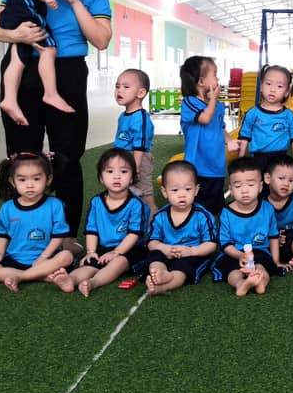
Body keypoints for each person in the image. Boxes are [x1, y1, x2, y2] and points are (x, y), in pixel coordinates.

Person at [0, 0, 113, 250]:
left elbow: (101, 40)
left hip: (68, 72)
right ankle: (21, 234)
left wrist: (75, 2)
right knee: (22, 157)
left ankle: (66, 237)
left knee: (67, 157)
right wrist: (15, 34)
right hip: (22, 69)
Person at [0, 152, 75, 293]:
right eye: (22, 180)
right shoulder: (7, 208)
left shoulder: (55, 205)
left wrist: (43, 257)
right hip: (15, 260)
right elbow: (3, 235)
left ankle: (21, 277)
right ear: (13, 182)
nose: (30, 185)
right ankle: (45, 276)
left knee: (66, 256)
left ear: (48, 179)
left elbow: (58, 236)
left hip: (46, 259)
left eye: (36, 179)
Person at [71, 148, 151, 297]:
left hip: (128, 250)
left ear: (132, 178)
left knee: (117, 263)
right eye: (110, 171)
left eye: (124, 171)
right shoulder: (96, 202)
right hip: (102, 248)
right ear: (101, 178)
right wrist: (91, 252)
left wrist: (116, 252)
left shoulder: (136, 204)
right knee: (90, 264)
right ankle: (70, 279)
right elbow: (92, 230)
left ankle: (93, 283)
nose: (117, 176)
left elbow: (134, 234)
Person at [212, 157, 286, 296]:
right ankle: (240, 284)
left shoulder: (267, 209)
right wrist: (241, 256)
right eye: (238, 186)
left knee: (262, 266)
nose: (244, 190)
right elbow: (225, 243)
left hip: (260, 251)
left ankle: (261, 282)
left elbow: (273, 237)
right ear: (231, 189)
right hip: (234, 253)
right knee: (233, 271)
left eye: (251, 185)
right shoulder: (226, 213)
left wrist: (276, 261)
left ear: (260, 186)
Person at [144, 160, 218, 295]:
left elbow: (211, 244)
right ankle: (160, 272)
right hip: (167, 252)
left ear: (196, 190)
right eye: (175, 190)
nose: (182, 194)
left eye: (188, 189)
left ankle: (164, 286)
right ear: (164, 192)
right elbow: (151, 242)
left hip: (192, 254)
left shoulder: (203, 216)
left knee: (183, 266)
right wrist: (163, 248)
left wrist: (191, 251)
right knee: (154, 255)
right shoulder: (160, 216)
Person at [180, 55, 239, 216]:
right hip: (197, 167)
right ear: (201, 81)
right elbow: (205, 118)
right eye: (215, 74)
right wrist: (213, 99)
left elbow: (219, 127)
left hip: (216, 166)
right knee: (196, 207)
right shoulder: (190, 102)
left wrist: (229, 141)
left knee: (216, 206)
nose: (218, 79)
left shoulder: (217, 106)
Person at [238, 64, 293, 172]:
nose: (272, 89)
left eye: (279, 86)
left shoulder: (290, 116)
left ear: (286, 92)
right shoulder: (252, 113)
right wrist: (240, 162)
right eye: (268, 84)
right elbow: (244, 138)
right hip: (258, 159)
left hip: (280, 160)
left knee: (277, 183)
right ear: (261, 86)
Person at [113, 68, 156, 214]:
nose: (119, 90)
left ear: (141, 93)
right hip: (122, 159)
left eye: (126, 87)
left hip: (138, 160)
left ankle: (154, 224)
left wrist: (135, 167)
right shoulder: (123, 116)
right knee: (125, 194)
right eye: (117, 86)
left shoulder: (141, 117)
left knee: (145, 196)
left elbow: (140, 145)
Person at [263, 154, 293, 269]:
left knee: (292, 237)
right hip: (271, 241)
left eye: (291, 181)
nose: (286, 184)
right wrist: (273, 238)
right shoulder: (262, 204)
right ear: (268, 179)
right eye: (281, 178)